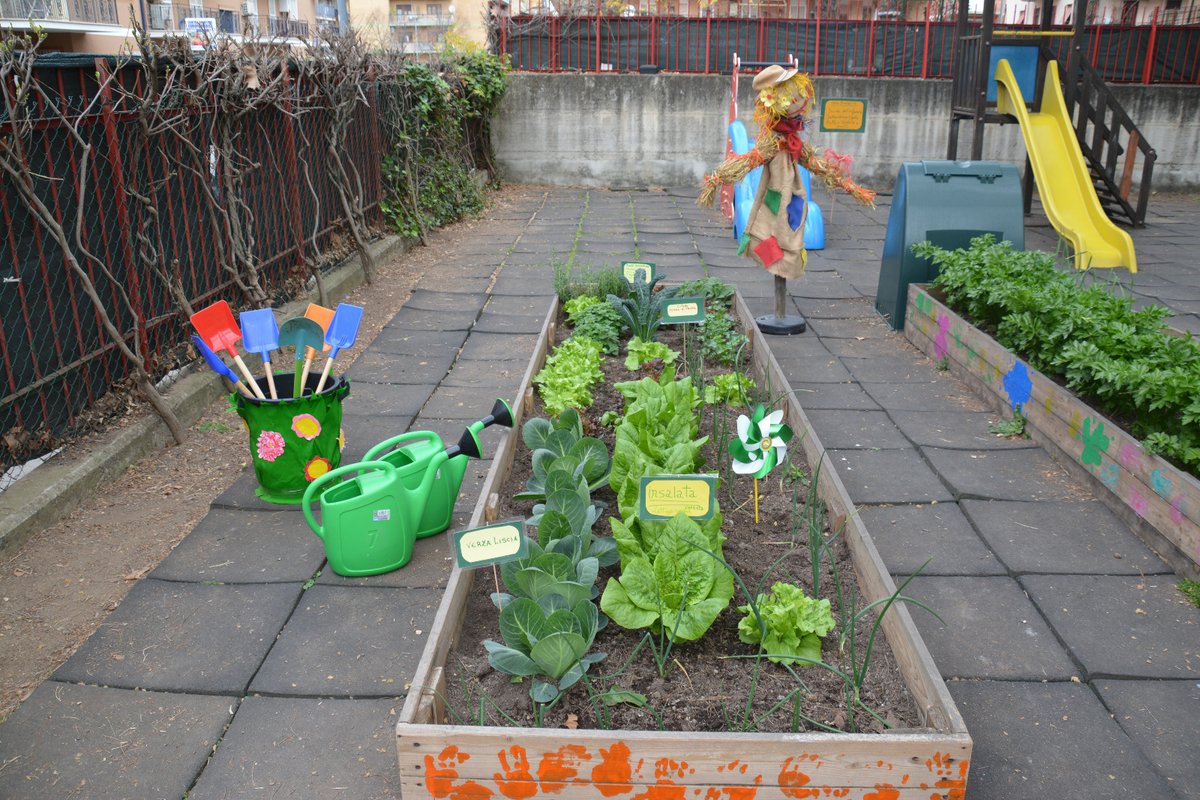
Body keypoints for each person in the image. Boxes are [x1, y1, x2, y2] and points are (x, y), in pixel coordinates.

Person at [699, 65, 874, 281]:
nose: (802, 101)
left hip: (793, 193)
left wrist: (844, 183)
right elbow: (748, 161)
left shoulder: (794, 140)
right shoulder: (772, 142)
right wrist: (718, 178)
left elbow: (811, 161)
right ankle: (776, 268)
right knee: (773, 227)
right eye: (794, 96)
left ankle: (784, 269)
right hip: (775, 191)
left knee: (792, 228)